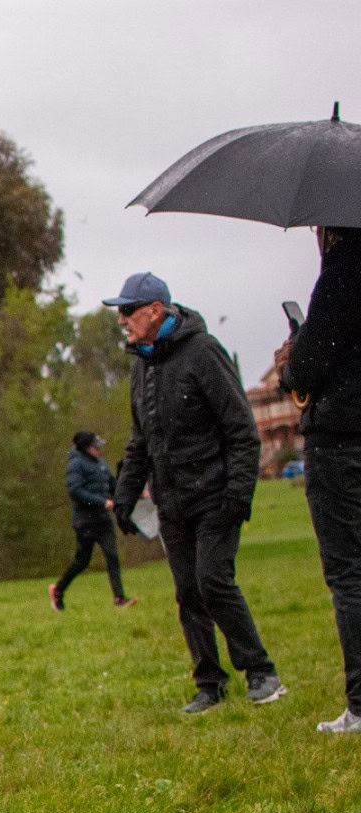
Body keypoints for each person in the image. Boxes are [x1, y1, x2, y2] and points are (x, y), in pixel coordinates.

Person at [107, 273, 285, 714]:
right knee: (188, 590)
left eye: (127, 311)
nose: (122, 320)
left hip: (216, 496)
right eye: (119, 312)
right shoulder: (140, 368)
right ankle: (210, 684)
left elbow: (243, 431)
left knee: (213, 580)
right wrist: (125, 496)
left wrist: (239, 496)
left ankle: (261, 672)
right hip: (172, 501)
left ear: (155, 310)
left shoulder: (203, 353)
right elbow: (140, 442)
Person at [275, 227, 361, 733]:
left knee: (350, 573)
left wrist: (291, 361)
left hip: (344, 439)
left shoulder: (346, 265)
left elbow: (310, 363)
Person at [50, 432, 135, 611]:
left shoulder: (101, 465)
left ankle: (119, 599)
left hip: (103, 520)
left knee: (112, 556)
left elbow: (114, 486)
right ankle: (58, 590)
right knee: (82, 561)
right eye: (96, 446)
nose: (100, 449)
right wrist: (102, 502)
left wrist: (136, 494)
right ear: (87, 448)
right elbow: (76, 492)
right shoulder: (75, 465)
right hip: (85, 522)